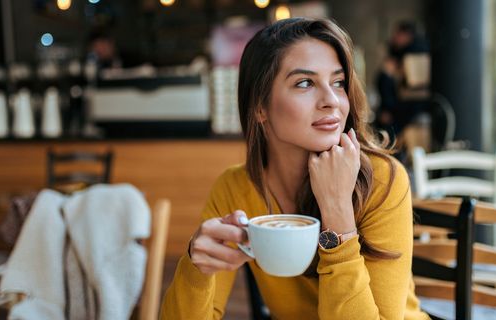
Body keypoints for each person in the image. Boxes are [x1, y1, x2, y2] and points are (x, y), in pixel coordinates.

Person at [161, 18, 429, 319]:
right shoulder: (236, 187)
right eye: (305, 83)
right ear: (260, 106)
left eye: (338, 83)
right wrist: (196, 267)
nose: (332, 101)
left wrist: (337, 211)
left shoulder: (381, 179)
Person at [375, 21, 429, 139]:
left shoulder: (413, 53)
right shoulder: (400, 53)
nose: (394, 37)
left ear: (406, 35)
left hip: (407, 106)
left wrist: (387, 108)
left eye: (397, 34)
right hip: (399, 105)